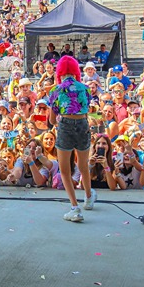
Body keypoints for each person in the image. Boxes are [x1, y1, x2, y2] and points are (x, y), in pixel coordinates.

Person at [48, 55, 95, 222]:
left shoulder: (56, 90)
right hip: (83, 124)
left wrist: (59, 122)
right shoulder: (85, 88)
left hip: (65, 126)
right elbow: (86, 110)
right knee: (83, 165)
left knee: (65, 170)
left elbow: (51, 120)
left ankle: (75, 208)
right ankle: (88, 197)